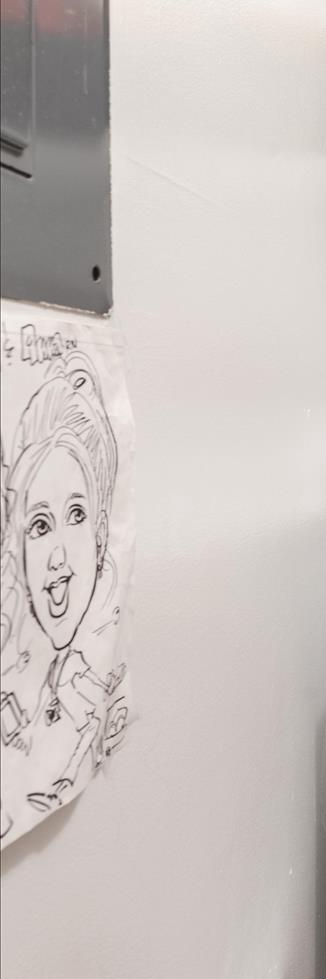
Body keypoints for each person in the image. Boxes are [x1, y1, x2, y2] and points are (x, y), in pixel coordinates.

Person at [0, 353, 127, 837]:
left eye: (75, 515)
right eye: (39, 524)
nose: (56, 557)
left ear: (99, 534)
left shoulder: (90, 683)